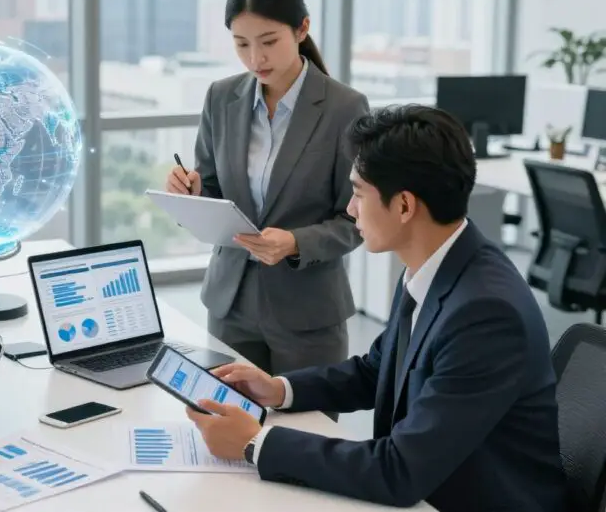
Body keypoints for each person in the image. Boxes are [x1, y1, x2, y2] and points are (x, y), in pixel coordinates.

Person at [184, 105, 568, 512]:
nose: (350, 209)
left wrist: (254, 443)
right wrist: (279, 389)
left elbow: (398, 472)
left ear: (404, 206)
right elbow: (375, 369)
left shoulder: (486, 314)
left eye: (359, 192)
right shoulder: (440, 264)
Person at [165, 0, 367, 376]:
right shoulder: (221, 97)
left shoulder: (344, 108)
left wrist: (295, 242)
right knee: (228, 427)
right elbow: (214, 191)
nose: (255, 58)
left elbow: (357, 220)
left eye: (269, 42)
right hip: (230, 303)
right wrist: (190, 194)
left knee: (305, 432)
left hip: (308, 312)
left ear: (301, 29)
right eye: (241, 44)